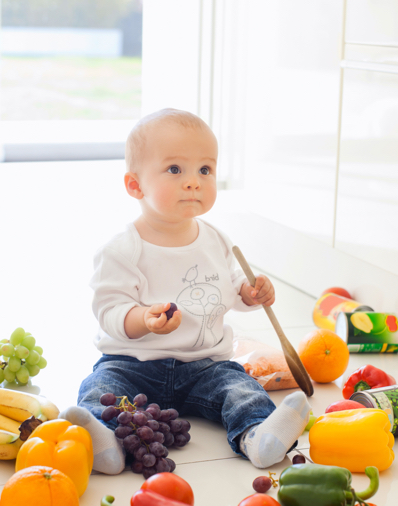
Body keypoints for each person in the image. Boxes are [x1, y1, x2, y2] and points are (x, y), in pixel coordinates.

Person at [61, 108, 311, 475]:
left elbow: (228, 291)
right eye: (175, 170)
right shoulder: (122, 249)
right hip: (133, 364)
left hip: (205, 365)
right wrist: (143, 319)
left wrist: (249, 293)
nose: (194, 182)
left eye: (205, 170)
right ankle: (108, 443)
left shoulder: (216, 240)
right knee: (101, 387)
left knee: (240, 388)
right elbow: (110, 311)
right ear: (135, 185)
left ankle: (258, 435)